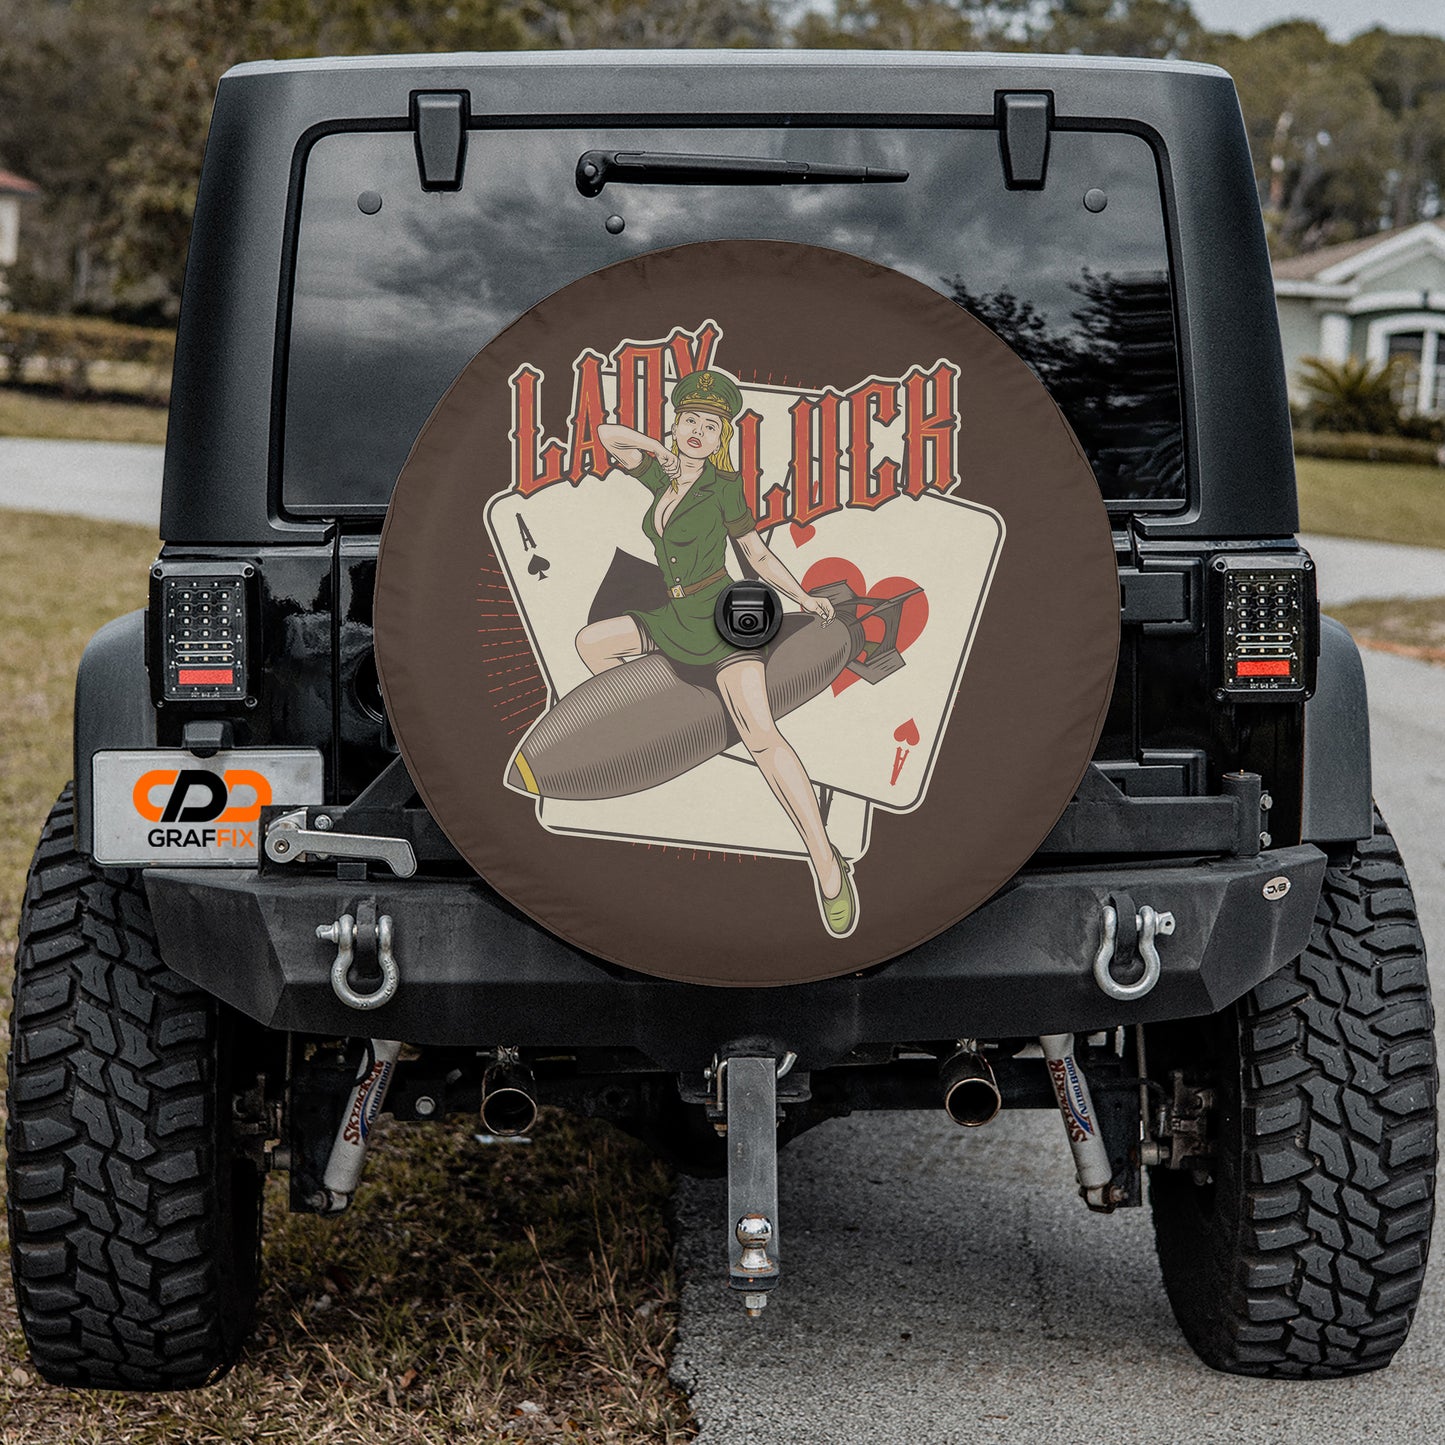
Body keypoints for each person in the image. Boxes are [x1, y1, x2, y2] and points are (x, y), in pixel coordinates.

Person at [589, 368, 858, 937]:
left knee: (762, 737)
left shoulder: (723, 488)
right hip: (672, 614)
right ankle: (692, 728)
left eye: (709, 425)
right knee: (593, 645)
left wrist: (805, 597)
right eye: (689, 419)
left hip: (722, 616)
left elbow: (756, 555)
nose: (696, 431)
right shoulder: (663, 481)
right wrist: (657, 451)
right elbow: (609, 434)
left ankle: (826, 862)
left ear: (721, 438)